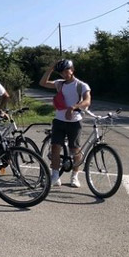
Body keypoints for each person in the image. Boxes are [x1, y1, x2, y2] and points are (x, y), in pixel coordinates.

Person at [39, 59, 91, 188]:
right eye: (61, 72)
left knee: (75, 149)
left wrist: (73, 107)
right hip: (59, 120)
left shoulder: (81, 85)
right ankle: (55, 176)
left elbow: (87, 101)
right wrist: (51, 67)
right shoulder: (60, 84)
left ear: (72, 70)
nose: (63, 73)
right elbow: (43, 83)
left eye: (66, 70)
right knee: (56, 147)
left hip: (74, 121)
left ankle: (75, 176)